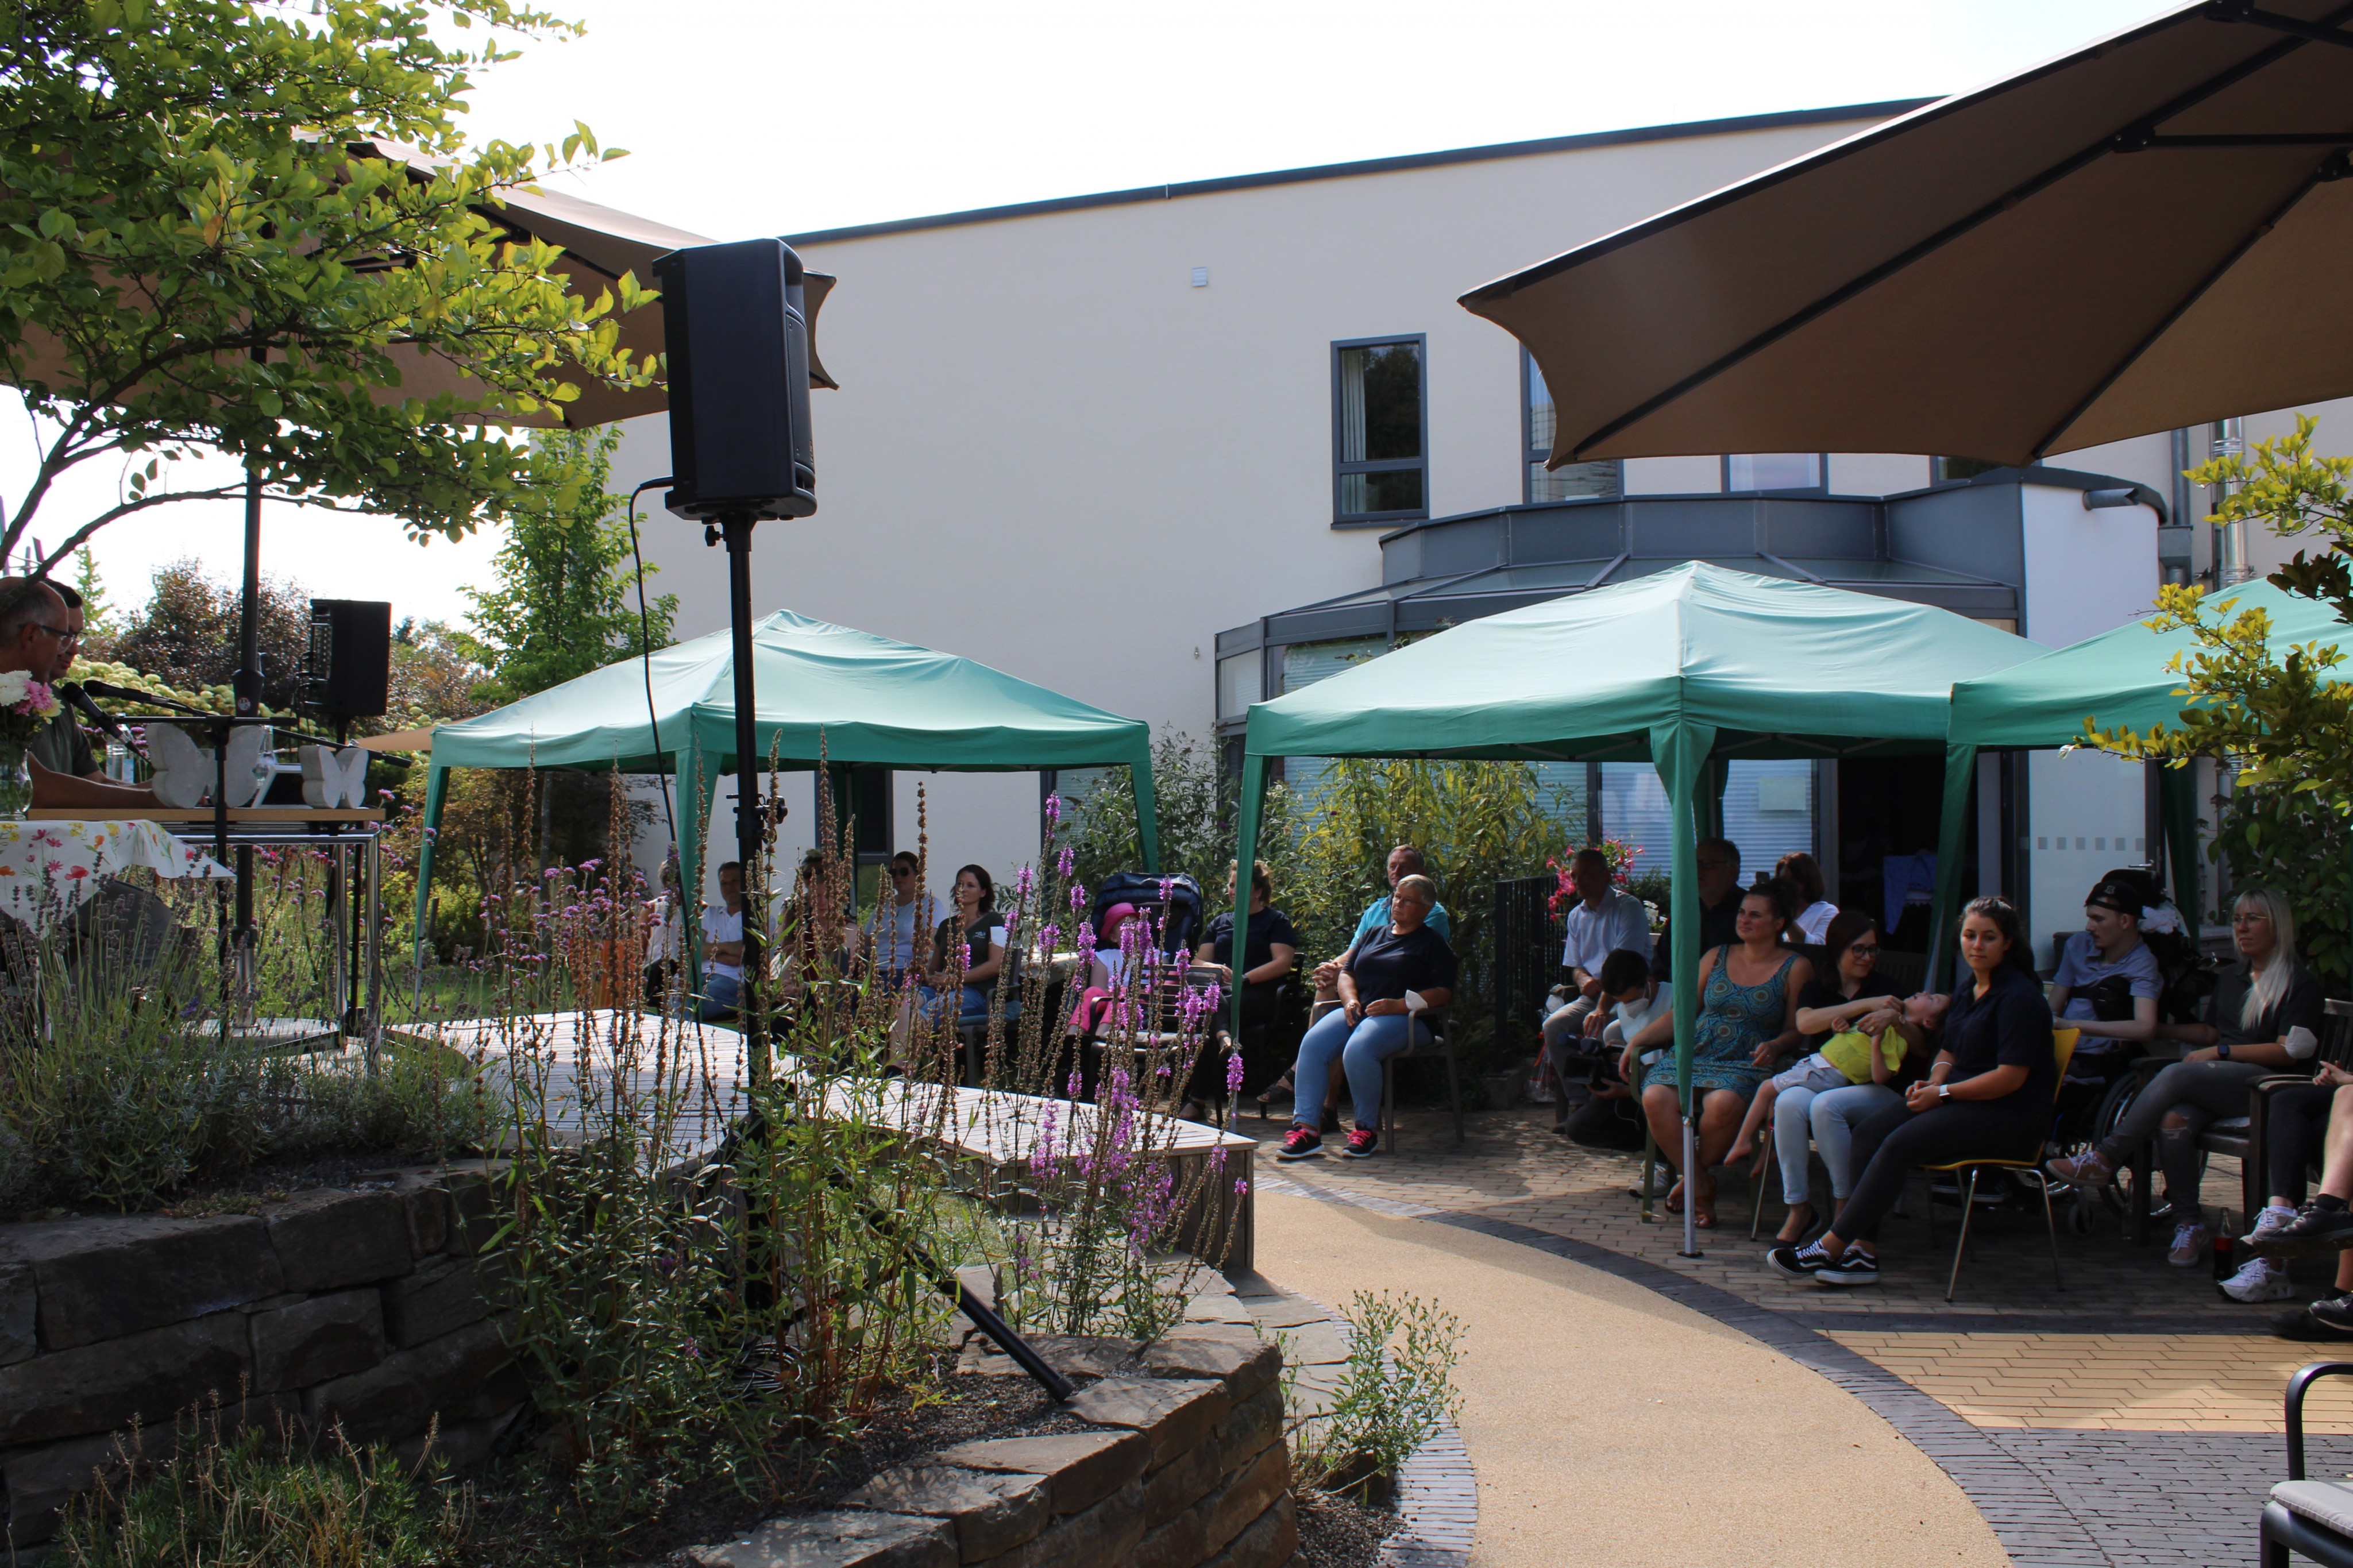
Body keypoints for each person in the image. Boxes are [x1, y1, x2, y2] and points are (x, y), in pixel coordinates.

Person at [1769, 895, 2057, 1287]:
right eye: (1970, 936)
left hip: (2009, 1113)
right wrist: (1937, 1082)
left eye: (1988, 938)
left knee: (1899, 1143)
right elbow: (1949, 1050)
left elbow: (2010, 1078)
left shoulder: (2020, 997)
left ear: (2007, 943)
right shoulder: (1972, 988)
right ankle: (1862, 1254)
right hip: (1961, 1100)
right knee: (1870, 1133)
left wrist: (1943, 1095)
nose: (1977, 945)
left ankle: (1832, 1244)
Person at [2047, 888, 2325, 1284]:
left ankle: (2105, 1158)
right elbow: (2211, 1030)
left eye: (2252, 919)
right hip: (2223, 1082)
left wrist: (2222, 1052)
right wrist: (2158, 1029)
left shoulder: (2299, 983)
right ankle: (2189, 1224)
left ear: (2277, 926)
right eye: (2237, 919)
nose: (2241, 928)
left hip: (2269, 1085)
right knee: (2174, 1120)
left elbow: (2289, 1054)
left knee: (2178, 1073)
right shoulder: (2233, 976)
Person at [1624, 878, 1812, 1228]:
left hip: (1748, 1057)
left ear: (1778, 923)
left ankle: (1690, 1182)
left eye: (1756, 915)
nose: (1744, 919)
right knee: (1655, 1096)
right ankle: (1700, 1185)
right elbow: (1683, 1014)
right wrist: (1636, 1041)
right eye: (1742, 912)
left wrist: (1777, 1044)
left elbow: (1797, 1028)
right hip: (1698, 1049)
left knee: (1720, 1105)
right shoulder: (1717, 956)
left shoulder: (1795, 966)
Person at [1723, 909, 1920, 1242]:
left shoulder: (1891, 990)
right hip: (1827, 1080)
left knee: (1825, 1106)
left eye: (1873, 950)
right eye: (1858, 949)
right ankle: (1799, 1210)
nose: (1867, 957)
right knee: (1787, 1102)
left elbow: (1923, 1046)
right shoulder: (1819, 988)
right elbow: (1805, 1024)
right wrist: (1863, 1006)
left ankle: (1846, 1209)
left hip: (1881, 1087)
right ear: (1838, 949)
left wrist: (1897, 1021)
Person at [1276, 874, 1455, 1162]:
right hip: (1362, 1013)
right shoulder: (1374, 934)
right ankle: (1307, 1131)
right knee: (1313, 1043)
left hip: (1411, 1021)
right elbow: (1347, 973)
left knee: (1359, 1048)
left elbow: (1443, 992)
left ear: (1426, 908)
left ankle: (1366, 1131)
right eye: (1397, 897)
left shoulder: (1432, 944)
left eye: (1408, 900)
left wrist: (1397, 1006)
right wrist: (1350, 1001)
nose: (1398, 903)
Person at [0, 578, 152, 809]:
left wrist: (164, 790)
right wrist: (151, 798)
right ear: (31, 635)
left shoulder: (49, 698)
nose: (71, 649)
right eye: (63, 637)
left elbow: (94, 784)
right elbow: (36, 788)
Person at [1538, 846, 1653, 1129]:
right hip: (1592, 996)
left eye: (1586, 874)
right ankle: (1580, 1102)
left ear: (1605, 875)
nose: (1578, 882)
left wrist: (1602, 1008)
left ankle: (1611, 1107)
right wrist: (1583, 981)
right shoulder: (1577, 915)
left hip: (1628, 997)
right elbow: (1575, 964)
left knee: (1605, 1029)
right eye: (1575, 876)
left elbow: (1622, 968)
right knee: (1554, 1026)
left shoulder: (1627, 908)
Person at [1196, 859, 1298, 1107]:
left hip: (1258, 994)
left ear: (1258, 891)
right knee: (1208, 1003)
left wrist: (1244, 978)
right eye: (1231, 886)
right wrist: (1216, 969)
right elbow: (1198, 961)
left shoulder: (1275, 922)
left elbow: (1283, 963)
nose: (1232, 891)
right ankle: (1224, 1036)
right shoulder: (1219, 923)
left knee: (1208, 1006)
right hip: (1221, 993)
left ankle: (1197, 1100)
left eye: (1239, 886)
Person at [1310, 845, 1452, 1012]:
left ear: (1421, 871)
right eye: (1393, 866)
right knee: (1325, 984)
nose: (1397, 871)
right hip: (1365, 982)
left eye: (1404, 866)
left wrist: (1344, 973)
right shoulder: (1376, 909)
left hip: (1397, 987)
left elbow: (1405, 957)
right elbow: (1355, 950)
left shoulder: (1430, 911)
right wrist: (1331, 968)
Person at [1560, 947, 1667, 1151]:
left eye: (1633, 1000)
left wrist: (1629, 1092)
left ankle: (1661, 1157)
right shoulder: (1621, 1017)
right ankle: (1657, 1145)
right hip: (1634, 1091)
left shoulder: (1674, 1001)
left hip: (1663, 1092)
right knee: (1577, 1127)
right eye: (1621, 1003)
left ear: (1649, 981)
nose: (1628, 1007)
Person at [2047, 876, 2164, 1051]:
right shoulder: (2077, 945)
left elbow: (2145, 1028)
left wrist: (2072, 1025)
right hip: (2062, 1052)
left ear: (2125, 921)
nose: (2089, 927)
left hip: (2105, 1059)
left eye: (2098, 919)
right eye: (2089, 918)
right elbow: (2052, 1009)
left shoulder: (2143, 963)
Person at [1649, 837, 1743, 984]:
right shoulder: (1685, 910)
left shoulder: (1748, 911)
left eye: (1707, 865)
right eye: (1694, 863)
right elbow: (1660, 966)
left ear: (1732, 871)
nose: (1698, 871)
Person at [921, 864, 1005, 1024]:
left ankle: (916, 1048)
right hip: (941, 990)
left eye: (970, 885)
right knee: (904, 1005)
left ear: (983, 892)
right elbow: (934, 967)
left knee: (929, 1012)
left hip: (976, 993)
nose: (963, 889)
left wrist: (955, 979)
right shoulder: (946, 926)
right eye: (959, 884)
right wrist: (931, 978)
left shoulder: (994, 921)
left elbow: (996, 965)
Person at [864, 850, 936, 984]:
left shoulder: (930, 904)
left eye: (904, 872)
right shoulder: (884, 905)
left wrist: (916, 973)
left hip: (903, 971)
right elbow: (866, 939)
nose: (898, 877)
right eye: (893, 873)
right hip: (875, 971)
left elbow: (930, 943)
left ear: (918, 874)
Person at [699, 860, 751, 1022]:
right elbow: (696, 951)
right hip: (702, 976)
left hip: (734, 983)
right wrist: (729, 947)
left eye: (735, 882)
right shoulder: (710, 914)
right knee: (674, 993)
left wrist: (711, 951)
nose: (729, 887)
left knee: (693, 1003)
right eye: (724, 883)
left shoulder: (758, 918)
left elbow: (747, 955)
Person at [1777, 851, 1838, 945]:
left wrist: (1787, 915)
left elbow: (1816, 947)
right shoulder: (1775, 912)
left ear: (1808, 881)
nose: (1786, 886)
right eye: (1783, 880)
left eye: (1793, 880)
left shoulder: (1827, 912)